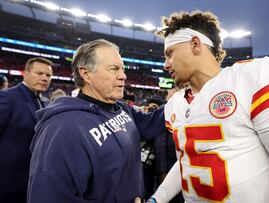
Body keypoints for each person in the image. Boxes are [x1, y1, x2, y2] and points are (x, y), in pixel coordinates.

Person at [147, 11, 269, 203]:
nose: (166, 65)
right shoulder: (175, 104)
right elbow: (188, 161)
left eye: (170, 54)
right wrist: (157, 199)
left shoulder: (249, 79)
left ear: (195, 44)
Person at [27, 39, 167, 203]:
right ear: (86, 74)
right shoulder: (62, 127)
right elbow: (48, 197)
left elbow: (153, 122)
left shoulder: (121, 108)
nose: (123, 76)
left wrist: (191, 95)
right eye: (113, 69)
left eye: (122, 69)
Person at [0, 57, 53, 202]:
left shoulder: (43, 102)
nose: (44, 78)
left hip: (31, 181)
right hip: (7, 182)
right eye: (39, 73)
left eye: (48, 75)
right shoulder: (7, 97)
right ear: (26, 74)